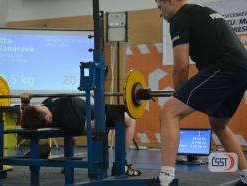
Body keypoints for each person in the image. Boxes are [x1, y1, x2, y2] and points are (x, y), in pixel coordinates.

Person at [153, 0, 247, 186]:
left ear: (170, 2)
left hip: (225, 67)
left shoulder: (179, 17)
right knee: (218, 123)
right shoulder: (198, 11)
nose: (160, 14)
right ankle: (246, 177)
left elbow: (181, 67)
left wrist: (178, 98)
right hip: (242, 69)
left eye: (159, 7)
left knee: (168, 112)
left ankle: (166, 179)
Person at [20, 93, 141, 176]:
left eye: (44, 114)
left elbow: (28, 117)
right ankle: (121, 165)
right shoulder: (67, 117)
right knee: (130, 120)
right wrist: (98, 98)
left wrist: (24, 103)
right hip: (96, 113)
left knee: (71, 135)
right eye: (46, 119)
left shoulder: (39, 109)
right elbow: (94, 126)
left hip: (86, 111)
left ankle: (69, 163)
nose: (48, 118)